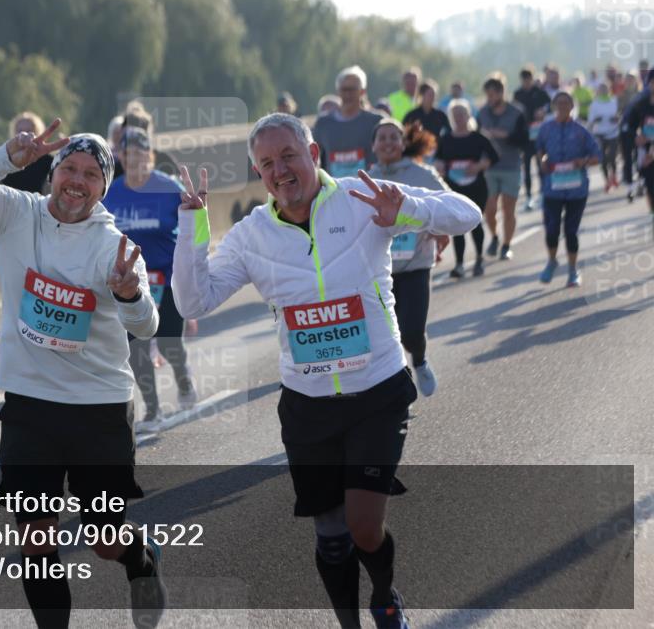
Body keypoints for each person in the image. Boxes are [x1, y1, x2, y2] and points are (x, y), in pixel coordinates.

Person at [171, 113, 480, 629]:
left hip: (376, 392)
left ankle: (384, 595)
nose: (280, 170)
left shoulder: (364, 198)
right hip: (307, 405)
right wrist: (192, 225)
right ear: (259, 173)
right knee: (331, 540)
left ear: (313, 155)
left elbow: (466, 213)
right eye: (267, 163)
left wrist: (407, 208)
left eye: (289, 155)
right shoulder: (251, 236)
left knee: (363, 527)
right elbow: (192, 301)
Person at [0, 119, 167, 629]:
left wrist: (130, 293)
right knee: (36, 538)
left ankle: (140, 558)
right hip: (29, 406)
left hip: (98, 408)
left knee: (105, 541)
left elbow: (147, 324)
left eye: (91, 174)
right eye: (69, 168)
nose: (77, 180)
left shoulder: (111, 244)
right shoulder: (13, 214)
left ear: (102, 188)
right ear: (51, 172)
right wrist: (6, 156)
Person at [104, 126, 196, 431]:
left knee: (170, 345)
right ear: (121, 157)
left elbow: (192, 227)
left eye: (142, 154)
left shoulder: (169, 188)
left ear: (151, 156)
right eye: (129, 155)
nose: (135, 161)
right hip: (134, 282)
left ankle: (184, 383)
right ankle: (152, 410)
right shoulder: (111, 193)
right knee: (137, 347)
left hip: (168, 279)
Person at [369, 119, 450, 398]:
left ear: (403, 144)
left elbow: (447, 206)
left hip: (416, 264)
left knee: (412, 331)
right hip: (379, 270)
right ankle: (399, 388)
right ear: (374, 145)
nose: (389, 142)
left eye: (394, 137)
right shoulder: (364, 179)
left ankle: (420, 360)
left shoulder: (422, 175)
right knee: (385, 336)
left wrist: (439, 232)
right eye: (382, 138)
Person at [536, 92, 602, 287]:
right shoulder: (546, 129)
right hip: (552, 188)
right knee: (551, 229)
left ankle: (573, 270)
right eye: (559, 103)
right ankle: (551, 261)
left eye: (567, 103)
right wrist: (542, 160)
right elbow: (539, 148)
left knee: (571, 231)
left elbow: (597, 156)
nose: (563, 107)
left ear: (572, 106)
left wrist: (583, 161)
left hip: (576, 189)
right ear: (554, 106)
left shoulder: (581, 130)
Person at [434, 100, 499, 278]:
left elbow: (493, 157)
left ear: (468, 115)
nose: (459, 118)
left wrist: (479, 166)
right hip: (454, 186)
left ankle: (479, 259)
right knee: (457, 225)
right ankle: (460, 264)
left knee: (476, 222)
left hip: (476, 186)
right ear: (451, 118)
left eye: (462, 114)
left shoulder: (478, 137)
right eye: (455, 115)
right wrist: (439, 165)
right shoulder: (446, 139)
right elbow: (438, 159)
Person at [477, 76, 529, 261]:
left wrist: (505, 135)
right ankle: (495, 237)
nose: (489, 98)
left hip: (511, 166)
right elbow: (475, 138)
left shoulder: (516, 112)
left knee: (509, 210)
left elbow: (524, 139)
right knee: (489, 209)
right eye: (487, 95)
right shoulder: (482, 113)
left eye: (492, 94)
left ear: (501, 93)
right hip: (489, 168)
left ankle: (506, 245)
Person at [313, 66, 384, 178]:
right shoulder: (323, 123)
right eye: (344, 89)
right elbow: (313, 158)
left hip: (368, 188)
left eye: (352, 90)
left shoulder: (376, 122)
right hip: (334, 190)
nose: (348, 94)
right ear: (338, 91)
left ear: (362, 91)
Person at [514, 68, 552, 211]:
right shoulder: (518, 94)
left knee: (540, 163)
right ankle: (529, 196)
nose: (526, 83)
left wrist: (543, 111)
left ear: (531, 79)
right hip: (525, 135)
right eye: (524, 80)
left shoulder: (540, 92)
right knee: (527, 166)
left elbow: (551, 105)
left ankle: (543, 194)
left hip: (539, 133)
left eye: (528, 80)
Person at [623, 69, 654, 228]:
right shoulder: (640, 104)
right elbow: (628, 126)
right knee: (650, 184)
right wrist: (636, 136)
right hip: (646, 151)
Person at [1, 112, 53, 194]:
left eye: (28, 131)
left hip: (34, 205)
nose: (24, 135)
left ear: (37, 132)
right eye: (20, 131)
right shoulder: (5, 156)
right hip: (6, 203)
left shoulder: (47, 160)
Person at [588, 82, 621, 192]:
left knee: (612, 157)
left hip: (613, 132)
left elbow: (618, 116)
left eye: (605, 88)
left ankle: (614, 176)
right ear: (598, 91)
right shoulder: (594, 104)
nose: (603, 91)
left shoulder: (614, 101)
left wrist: (616, 119)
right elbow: (591, 121)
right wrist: (597, 120)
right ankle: (607, 180)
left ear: (609, 89)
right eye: (601, 89)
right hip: (600, 133)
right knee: (602, 159)